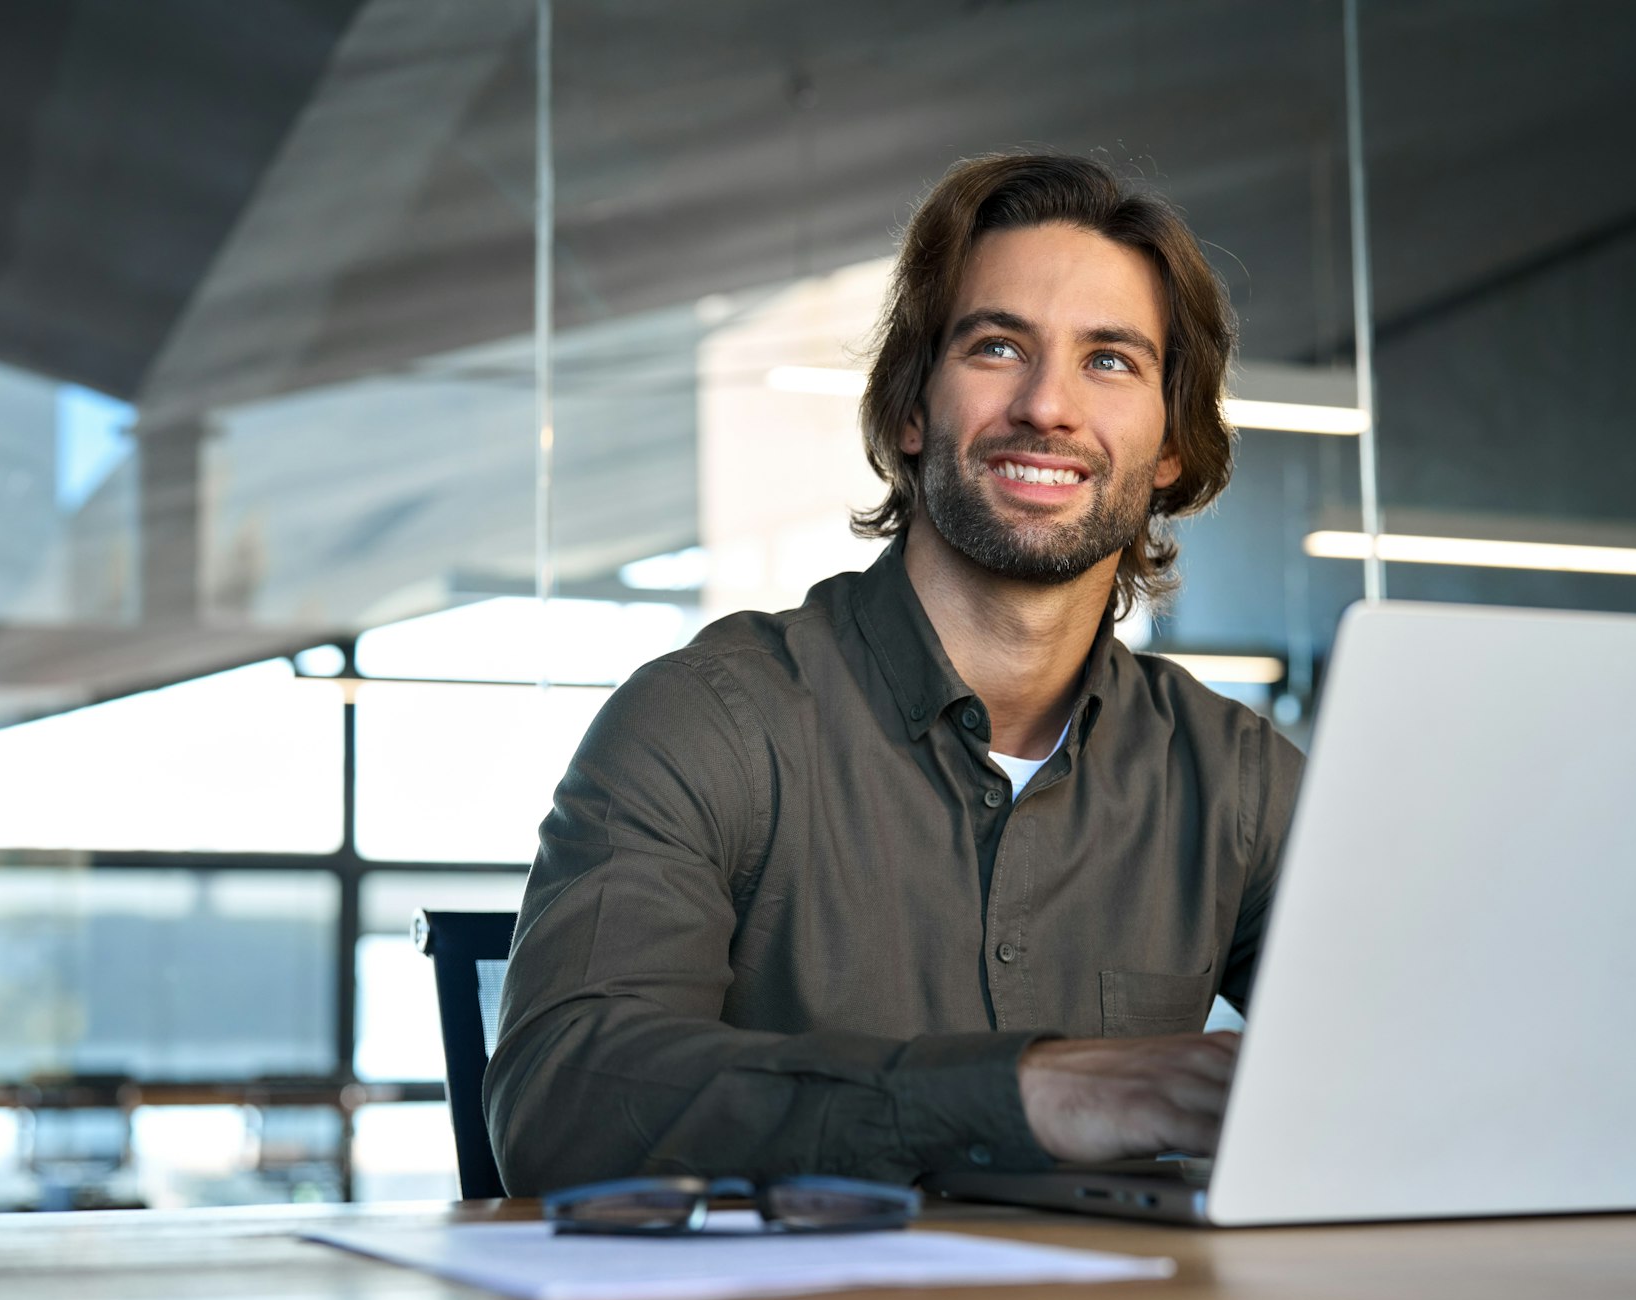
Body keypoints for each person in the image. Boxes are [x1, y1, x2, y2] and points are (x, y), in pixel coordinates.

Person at [484, 151, 1305, 1195]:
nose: (1047, 405)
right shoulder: (707, 720)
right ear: (910, 409)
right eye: (997, 345)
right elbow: (564, 1103)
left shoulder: (1233, 778)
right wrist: (1034, 1090)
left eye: (1109, 361)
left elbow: (1421, 1061)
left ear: (1170, 446)